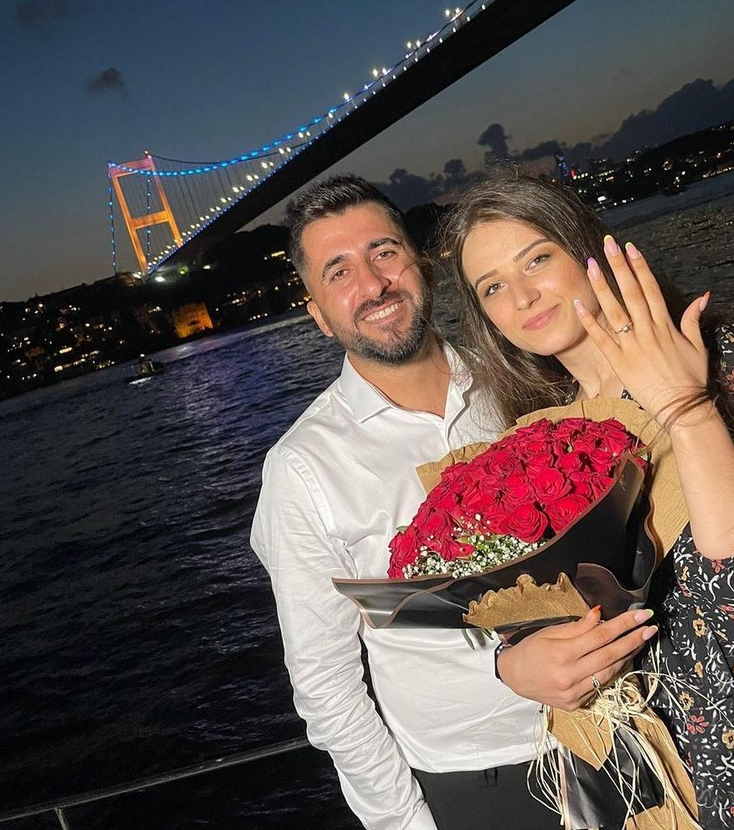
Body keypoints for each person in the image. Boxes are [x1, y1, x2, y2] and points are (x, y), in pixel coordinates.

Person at [440, 171, 734, 829]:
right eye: (493, 287)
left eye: (537, 258)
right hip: (651, 769)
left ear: (585, 248)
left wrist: (683, 408)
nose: (522, 295)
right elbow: (535, 617)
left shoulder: (711, 358)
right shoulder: (541, 445)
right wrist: (515, 665)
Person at [249, 175, 657, 830]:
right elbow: (328, 692)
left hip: (629, 724)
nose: (374, 283)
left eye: (384, 252)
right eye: (339, 271)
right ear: (318, 314)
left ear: (421, 264)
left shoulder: (522, 379)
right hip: (487, 783)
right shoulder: (303, 470)